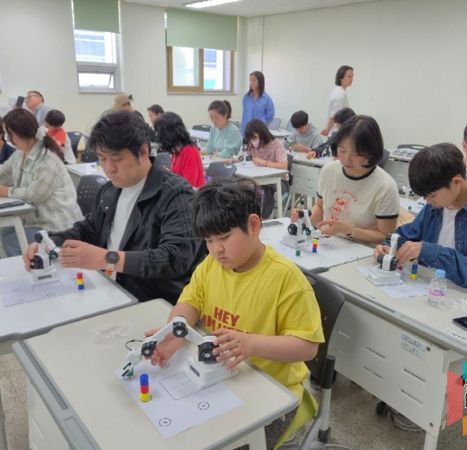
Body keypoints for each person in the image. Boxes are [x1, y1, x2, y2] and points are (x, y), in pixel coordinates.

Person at [145, 178, 324, 448]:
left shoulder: (286, 279)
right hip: (225, 377)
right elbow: (191, 301)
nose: (216, 249)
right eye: (209, 240)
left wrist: (251, 344)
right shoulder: (211, 265)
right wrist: (176, 329)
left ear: (253, 225)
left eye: (224, 237)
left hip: (275, 390)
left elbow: (308, 347)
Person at [23, 110, 206, 304]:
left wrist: (107, 259)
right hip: (111, 287)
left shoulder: (176, 194)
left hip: (153, 300)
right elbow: (91, 228)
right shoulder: (109, 190)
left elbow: (175, 258)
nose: (109, 168)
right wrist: (50, 241)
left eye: (117, 158)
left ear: (143, 152)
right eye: (102, 158)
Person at [375, 143, 467, 294]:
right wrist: (388, 246)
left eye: (432, 195)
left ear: (456, 182)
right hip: (434, 290)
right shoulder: (435, 206)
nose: (428, 202)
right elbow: (407, 235)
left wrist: (432, 252)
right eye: (425, 197)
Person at [0, 109, 82, 256]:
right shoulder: (20, 153)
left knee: (11, 242)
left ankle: (26, 267)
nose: (8, 139)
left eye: (10, 134)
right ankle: (11, 262)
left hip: (57, 224)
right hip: (35, 219)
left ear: (22, 132)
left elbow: (35, 195)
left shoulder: (48, 159)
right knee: (5, 232)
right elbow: (2, 171)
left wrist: (5, 191)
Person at [296, 115, 398, 244]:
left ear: (371, 151)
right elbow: (320, 207)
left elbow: (385, 236)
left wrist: (349, 230)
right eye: (342, 150)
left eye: (356, 153)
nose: (347, 159)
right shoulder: (329, 170)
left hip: (362, 251)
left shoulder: (385, 186)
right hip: (327, 244)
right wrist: (304, 219)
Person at [244, 119, 289, 218]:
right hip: (258, 179)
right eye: (250, 139)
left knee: (263, 191)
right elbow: (246, 156)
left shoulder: (277, 144)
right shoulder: (251, 144)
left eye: (254, 138)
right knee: (243, 188)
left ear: (262, 133)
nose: (253, 141)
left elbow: (283, 166)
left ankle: (262, 218)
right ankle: (248, 216)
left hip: (279, 181)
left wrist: (263, 162)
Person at [155, 112, 205, 188]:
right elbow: (178, 176)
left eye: (159, 133)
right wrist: (168, 173)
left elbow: (187, 186)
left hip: (191, 194)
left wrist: (169, 177)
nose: (158, 136)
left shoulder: (189, 152)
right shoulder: (176, 151)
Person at [321, 65, 353, 137]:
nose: (352, 79)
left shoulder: (338, 91)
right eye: (349, 76)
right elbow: (335, 115)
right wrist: (327, 130)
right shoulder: (339, 94)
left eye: (352, 76)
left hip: (337, 132)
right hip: (337, 133)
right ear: (341, 78)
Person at [241, 71, 275, 135]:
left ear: (260, 82)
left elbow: (270, 115)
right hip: (247, 130)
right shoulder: (246, 98)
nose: (251, 83)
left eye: (254, 80)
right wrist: (242, 131)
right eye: (250, 80)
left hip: (260, 131)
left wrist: (260, 124)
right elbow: (244, 116)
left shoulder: (267, 99)